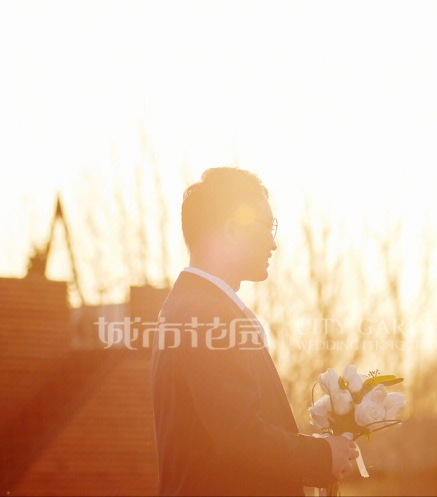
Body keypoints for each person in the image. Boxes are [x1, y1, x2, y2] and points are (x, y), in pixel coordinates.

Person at [151, 167, 357, 496]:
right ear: (232, 230)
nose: (273, 242)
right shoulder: (207, 315)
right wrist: (321, 456)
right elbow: (240, 439)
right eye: (267, 227)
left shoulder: (192, 306)